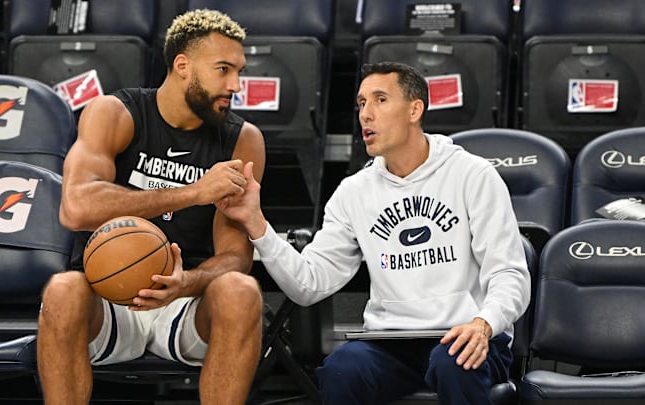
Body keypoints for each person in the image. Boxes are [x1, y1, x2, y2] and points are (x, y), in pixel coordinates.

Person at [216, 61, 531, 404]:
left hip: (469, 337)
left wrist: (485, 323)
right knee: (342, 368)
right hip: (391, 344)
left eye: (380, 100)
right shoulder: (354, 192)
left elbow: (509, 272)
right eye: (361, 103)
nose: (365, 114)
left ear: (415, 109)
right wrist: (256, 223)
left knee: (455, 360)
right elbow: (309, 284)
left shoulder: (472, 175)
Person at [37, 9, 266, 405]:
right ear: (182, 66)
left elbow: (235, 257)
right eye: (224, 70)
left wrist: (185, 283)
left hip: (185, 303)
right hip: (106, 298)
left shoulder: (242, 140)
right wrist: (193, 192)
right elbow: (75, 209)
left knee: (241, 291)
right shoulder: (114, 113)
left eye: (239, 72)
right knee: (62, 289)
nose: (235, 85)